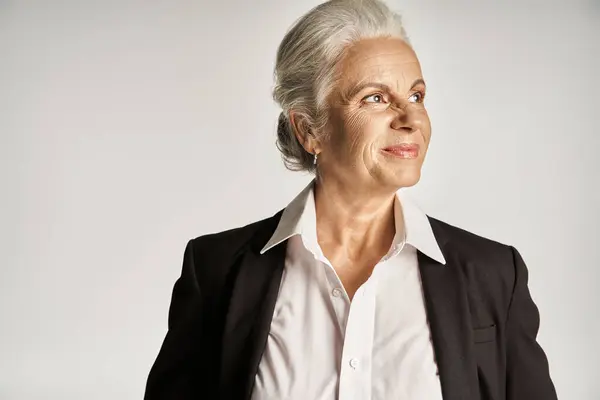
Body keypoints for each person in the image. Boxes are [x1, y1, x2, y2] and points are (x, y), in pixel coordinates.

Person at [144, 0, 558, 399]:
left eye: (416, 96)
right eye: (375, 98)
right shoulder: (216, 271)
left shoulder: (493, 277)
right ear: (309, 130)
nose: (411, 119)